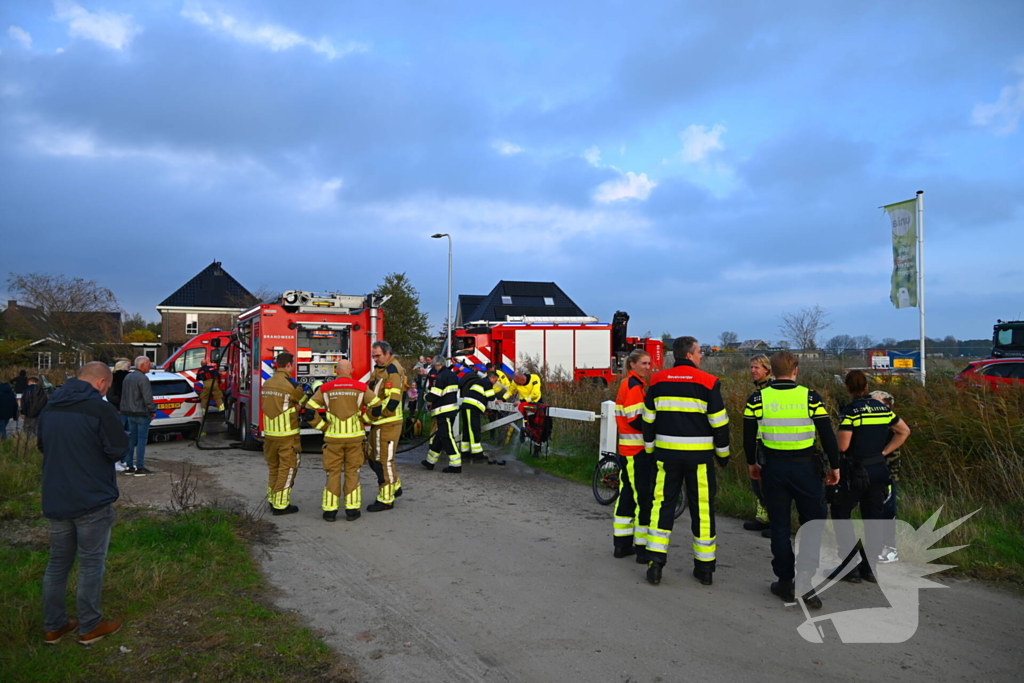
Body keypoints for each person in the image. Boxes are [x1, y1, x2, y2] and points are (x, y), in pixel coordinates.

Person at [38, 361, 128, 646]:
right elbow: (117, 450)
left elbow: (43, 445)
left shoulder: (50, 406)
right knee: (91, 564)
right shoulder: (100, 409)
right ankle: (89, 626)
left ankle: (54, 626)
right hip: (91, 498)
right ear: (102, 383)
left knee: (57, 565)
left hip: (55, 496)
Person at [744, 351, 840, 608]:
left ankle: (785, 582)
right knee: (811, 525)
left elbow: (748, 435)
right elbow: (827, 435)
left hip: (773, 469)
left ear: (772, 371)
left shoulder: (758, 398)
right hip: (806, 470)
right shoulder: (810, 397)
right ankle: (806, 583)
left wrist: (752, 464)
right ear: (795, 370)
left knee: (779, 526)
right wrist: (836, 466)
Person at [642, 337, 730, 587]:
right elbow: (720, 425)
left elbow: (647, 420)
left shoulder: (657, 380)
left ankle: (655, 565)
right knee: (702, 509)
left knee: (661, 505)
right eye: (700, 352)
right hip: (699, 458)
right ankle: (704, 570)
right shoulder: (709, 382)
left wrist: (650, 449)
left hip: (665, 455)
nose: (702, 356)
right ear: (690, 355)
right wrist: (723, 456)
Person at [829, 371, 911, 584]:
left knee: (840, 512)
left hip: (855, 471)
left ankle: (849, 567)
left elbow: (844, 445)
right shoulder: (882, 408)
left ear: (848, 388)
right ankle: (869, 567)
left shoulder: (850, 411)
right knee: (873, 519)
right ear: (866, 387)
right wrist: (884, 452)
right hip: (879, 470)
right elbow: (904, 431)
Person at [306, 360, 377, 522]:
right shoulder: (361, 388)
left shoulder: (325, 388)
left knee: (333, 473)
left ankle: (330, 512)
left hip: (333, 439)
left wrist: (323, 426)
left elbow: (309, 410)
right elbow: (377, 406)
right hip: (355, 438)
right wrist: (365, 419)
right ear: (351, 370)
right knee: (353, 472)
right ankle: (352, 510)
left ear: (336, 371)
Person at [612, 349, 653, 562]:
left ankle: (621, 544)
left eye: (649, 363)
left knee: (627, 495)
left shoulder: (629, 384)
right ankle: (642, 548)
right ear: (632, 365)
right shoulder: (634, 386)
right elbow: (636, 419)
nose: (649, 367)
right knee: (643, 497)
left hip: (627, 450)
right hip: (637, 450)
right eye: (644, 363)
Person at [261, 352, 310, 515]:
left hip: (269, 435)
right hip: (287, 435)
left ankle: (272, 499)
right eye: (293, 364)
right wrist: (296, 407)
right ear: (289, 365)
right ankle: (281, 505)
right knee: (288, 468)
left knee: (274, 467)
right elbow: (304, 401)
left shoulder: (267, 383)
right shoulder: (292, 384)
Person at [365, 341, 406, 510]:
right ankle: (394, 485)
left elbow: (392, 402)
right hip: (379, 423)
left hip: (388, 423)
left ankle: (386, 499)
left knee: (384, 461)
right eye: (373, 356)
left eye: (378, 356)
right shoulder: (381, 368)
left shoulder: (392, 371)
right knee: (373, 458)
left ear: (388, 353)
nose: (375, 359)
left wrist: (372, 415)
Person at [743, 355, 774, 538]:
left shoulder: (770, 390)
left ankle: (774, 520)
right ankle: (762, 517)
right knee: (757, 482)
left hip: (769, 443)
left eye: (757, 368)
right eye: (751, 367)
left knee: (767, 483)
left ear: (767, 370)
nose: (753, 371)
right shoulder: (758, 390)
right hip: (757, 442)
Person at [871, 390, 902, 563]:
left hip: (888, 473)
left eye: (876, 403)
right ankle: (876, 547)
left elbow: (903, 433)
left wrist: (882, 453)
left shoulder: (891, 423)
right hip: (873, 473)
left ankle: (891, 549)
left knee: (887, 509)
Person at [423, 355, 462, 473]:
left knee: (446, 436)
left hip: (443, 411)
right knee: (440, 436)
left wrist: (425, 397)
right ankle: (430, 461)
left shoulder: (441, 376)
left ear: (436, 364)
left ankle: (456, 465)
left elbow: (435, 394)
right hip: (450, 409)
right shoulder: (451, 375)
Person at [120, 357, 156, 476]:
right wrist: (152, 410)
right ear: (142, 365)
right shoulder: (142, 378)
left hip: (129, 413)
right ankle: (140, 467)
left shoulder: (128, 377)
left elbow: (124, 395)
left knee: (131, 439)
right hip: (141, 413)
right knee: (141, 440)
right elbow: (147, 397)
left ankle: (130, 466)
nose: (150, 366)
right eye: (149, 364)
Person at [459, 365, 495, 464]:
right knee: (473, 429)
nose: (495, 382)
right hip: (472, 407)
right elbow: (491, 397)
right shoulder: (487, 383)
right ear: (492, 378)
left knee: (467, 429)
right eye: (495, 380)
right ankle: (477, 454)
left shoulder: (480, 381)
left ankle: (465, 451)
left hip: (468, 406)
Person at [107, 360, 131, 472]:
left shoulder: (114, 378)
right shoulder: (119, 379)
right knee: (120, 436)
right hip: (120, 411)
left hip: (122, 410)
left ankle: (122, 460)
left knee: (122, 436)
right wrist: (123, 403)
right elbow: (111, 396)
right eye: (129, 367)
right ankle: (118, 461)